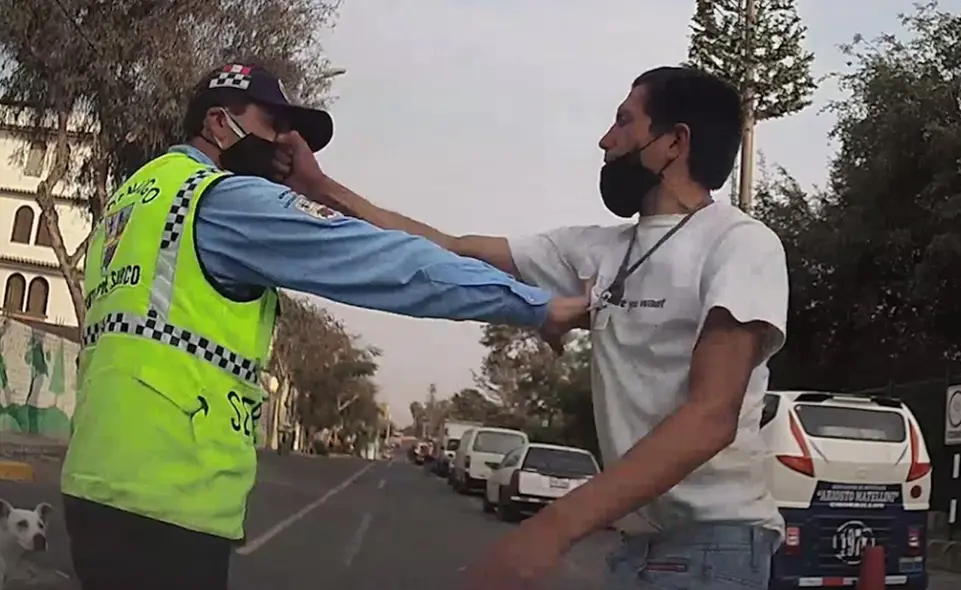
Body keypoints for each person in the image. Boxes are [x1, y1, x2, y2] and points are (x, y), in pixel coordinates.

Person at [61, 62, 587, 590]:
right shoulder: (223, 201)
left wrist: (316, 186)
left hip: (96, 481)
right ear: (220, 124)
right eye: (273, 127)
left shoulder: (139, 195)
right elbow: (384, 263)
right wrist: (534, 306)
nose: (284, 146)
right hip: (168, 494)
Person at [313, 66, 789, 589]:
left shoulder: (741, 245)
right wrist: (321, 187)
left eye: (624, 123)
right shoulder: (598, 251)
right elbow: (450, 248)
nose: (606, 142)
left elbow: (711, 417)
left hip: (715, 545)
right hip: (636, 548)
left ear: (674, 142)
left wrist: (552, 528)